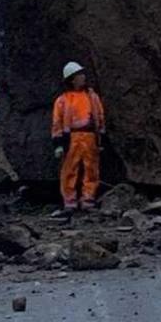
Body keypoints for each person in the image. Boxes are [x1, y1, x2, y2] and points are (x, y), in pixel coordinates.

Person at [51, 61, 106, 216]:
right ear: (72, 79)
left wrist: (100, 138)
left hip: (89, 136)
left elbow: (100, 118)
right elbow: (57, 122)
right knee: (69, 169)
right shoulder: (63, 100)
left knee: (91, 169)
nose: (83, 77)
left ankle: (88, 199)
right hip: (72, 138)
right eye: (79, 75)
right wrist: (58, 144)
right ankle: (70, 201)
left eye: (82, 74)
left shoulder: (92, 97)